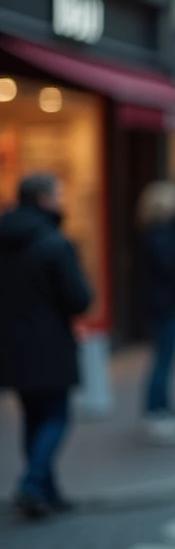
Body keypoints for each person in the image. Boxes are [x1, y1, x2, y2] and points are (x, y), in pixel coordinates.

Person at [0, 174, 92, 519]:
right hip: (49, 344)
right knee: (56, 416)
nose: (61, 201)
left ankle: (47, 493)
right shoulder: (53, 242)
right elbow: (78, 299)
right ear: (42, 199)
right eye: (58, 195)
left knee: (33, 418)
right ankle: (33, 483)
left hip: (11, 346)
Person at [137, 181, 175, 440]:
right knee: (163, 359)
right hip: (165, 307)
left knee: (167, 358)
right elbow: (173, 267)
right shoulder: (160, 236)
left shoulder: (158, 233)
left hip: (166, 305)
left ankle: (162, 408)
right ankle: (155, 411)